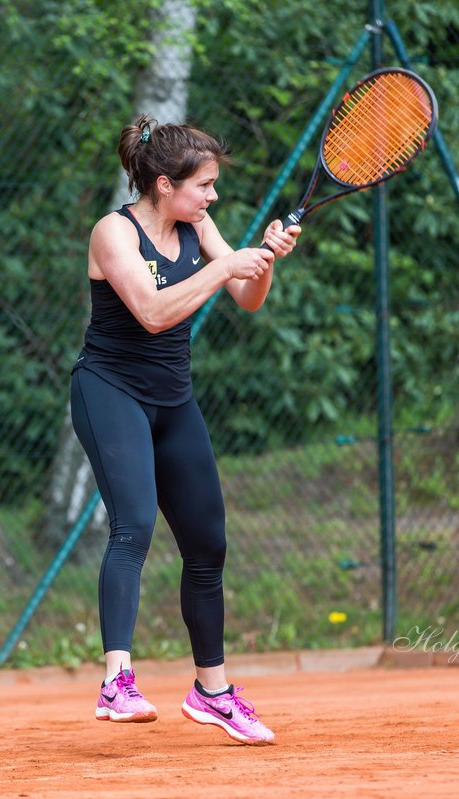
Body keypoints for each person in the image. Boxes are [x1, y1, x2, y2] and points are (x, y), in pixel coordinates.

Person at [71, 114, 300, 745]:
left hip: (173, 401)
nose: (213, 197)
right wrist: (227, 268)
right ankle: (116, 682)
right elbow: (151, 313)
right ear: (166, 183)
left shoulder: (197, 225)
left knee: (208, 545)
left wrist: (263, 262)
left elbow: (249, 300)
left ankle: (214, 693)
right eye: (205, 186)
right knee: (134, 525)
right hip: (110, 392)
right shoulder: (112, 232)